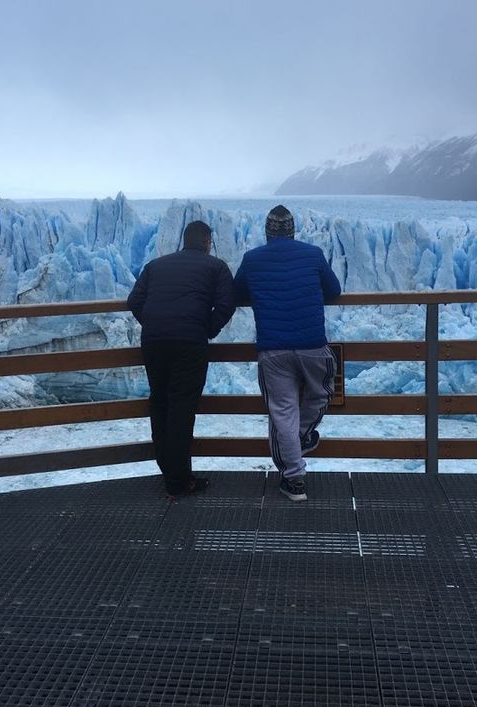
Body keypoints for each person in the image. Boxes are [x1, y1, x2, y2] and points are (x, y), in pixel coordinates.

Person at [233, 205, 342, 501]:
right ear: (293, 230)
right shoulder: (313, 254)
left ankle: (294, 480)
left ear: (267, 232)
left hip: (274, 350)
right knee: (321, 394)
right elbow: (334, 290)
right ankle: (301, 438)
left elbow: (236, 292)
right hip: (313, 346)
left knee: (283, 413)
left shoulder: (252, 259)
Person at [128, 220, 235, 498]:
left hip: (153, 342)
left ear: (183, 240)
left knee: (160, 402)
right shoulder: (217, 267)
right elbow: (227, 303)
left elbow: (134, 301)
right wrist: (206, 328)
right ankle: (177, 481)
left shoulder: (155, 265)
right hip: (189, 343)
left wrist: (153, 324)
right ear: (207, 242)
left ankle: (170, 471)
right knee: (181, 408)